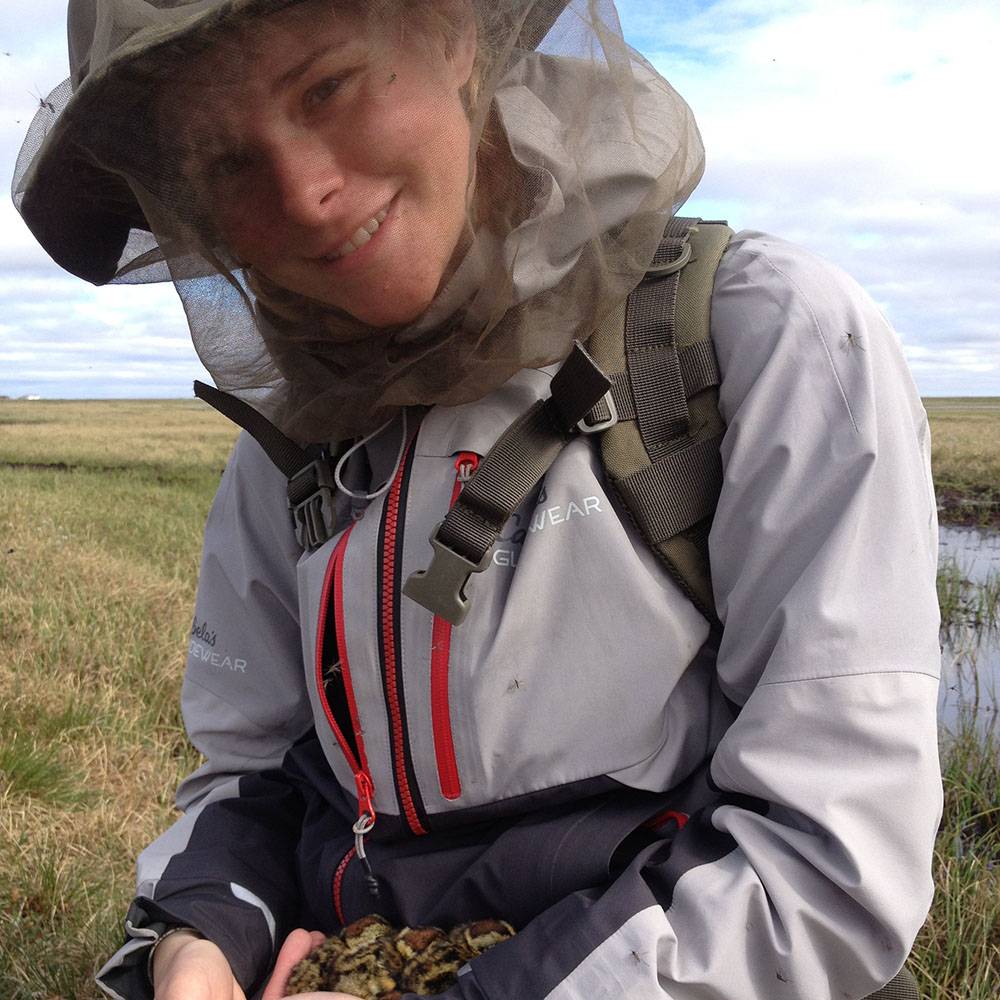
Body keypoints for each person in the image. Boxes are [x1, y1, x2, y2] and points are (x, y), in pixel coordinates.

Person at [13, 1, 943, 999]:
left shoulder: (766, 336)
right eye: (226, 160)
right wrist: (196, 937)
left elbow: (826, 863)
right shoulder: (288, 456)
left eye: (327, 87)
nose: (308, 192)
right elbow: (255, 775)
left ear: (454, 33)